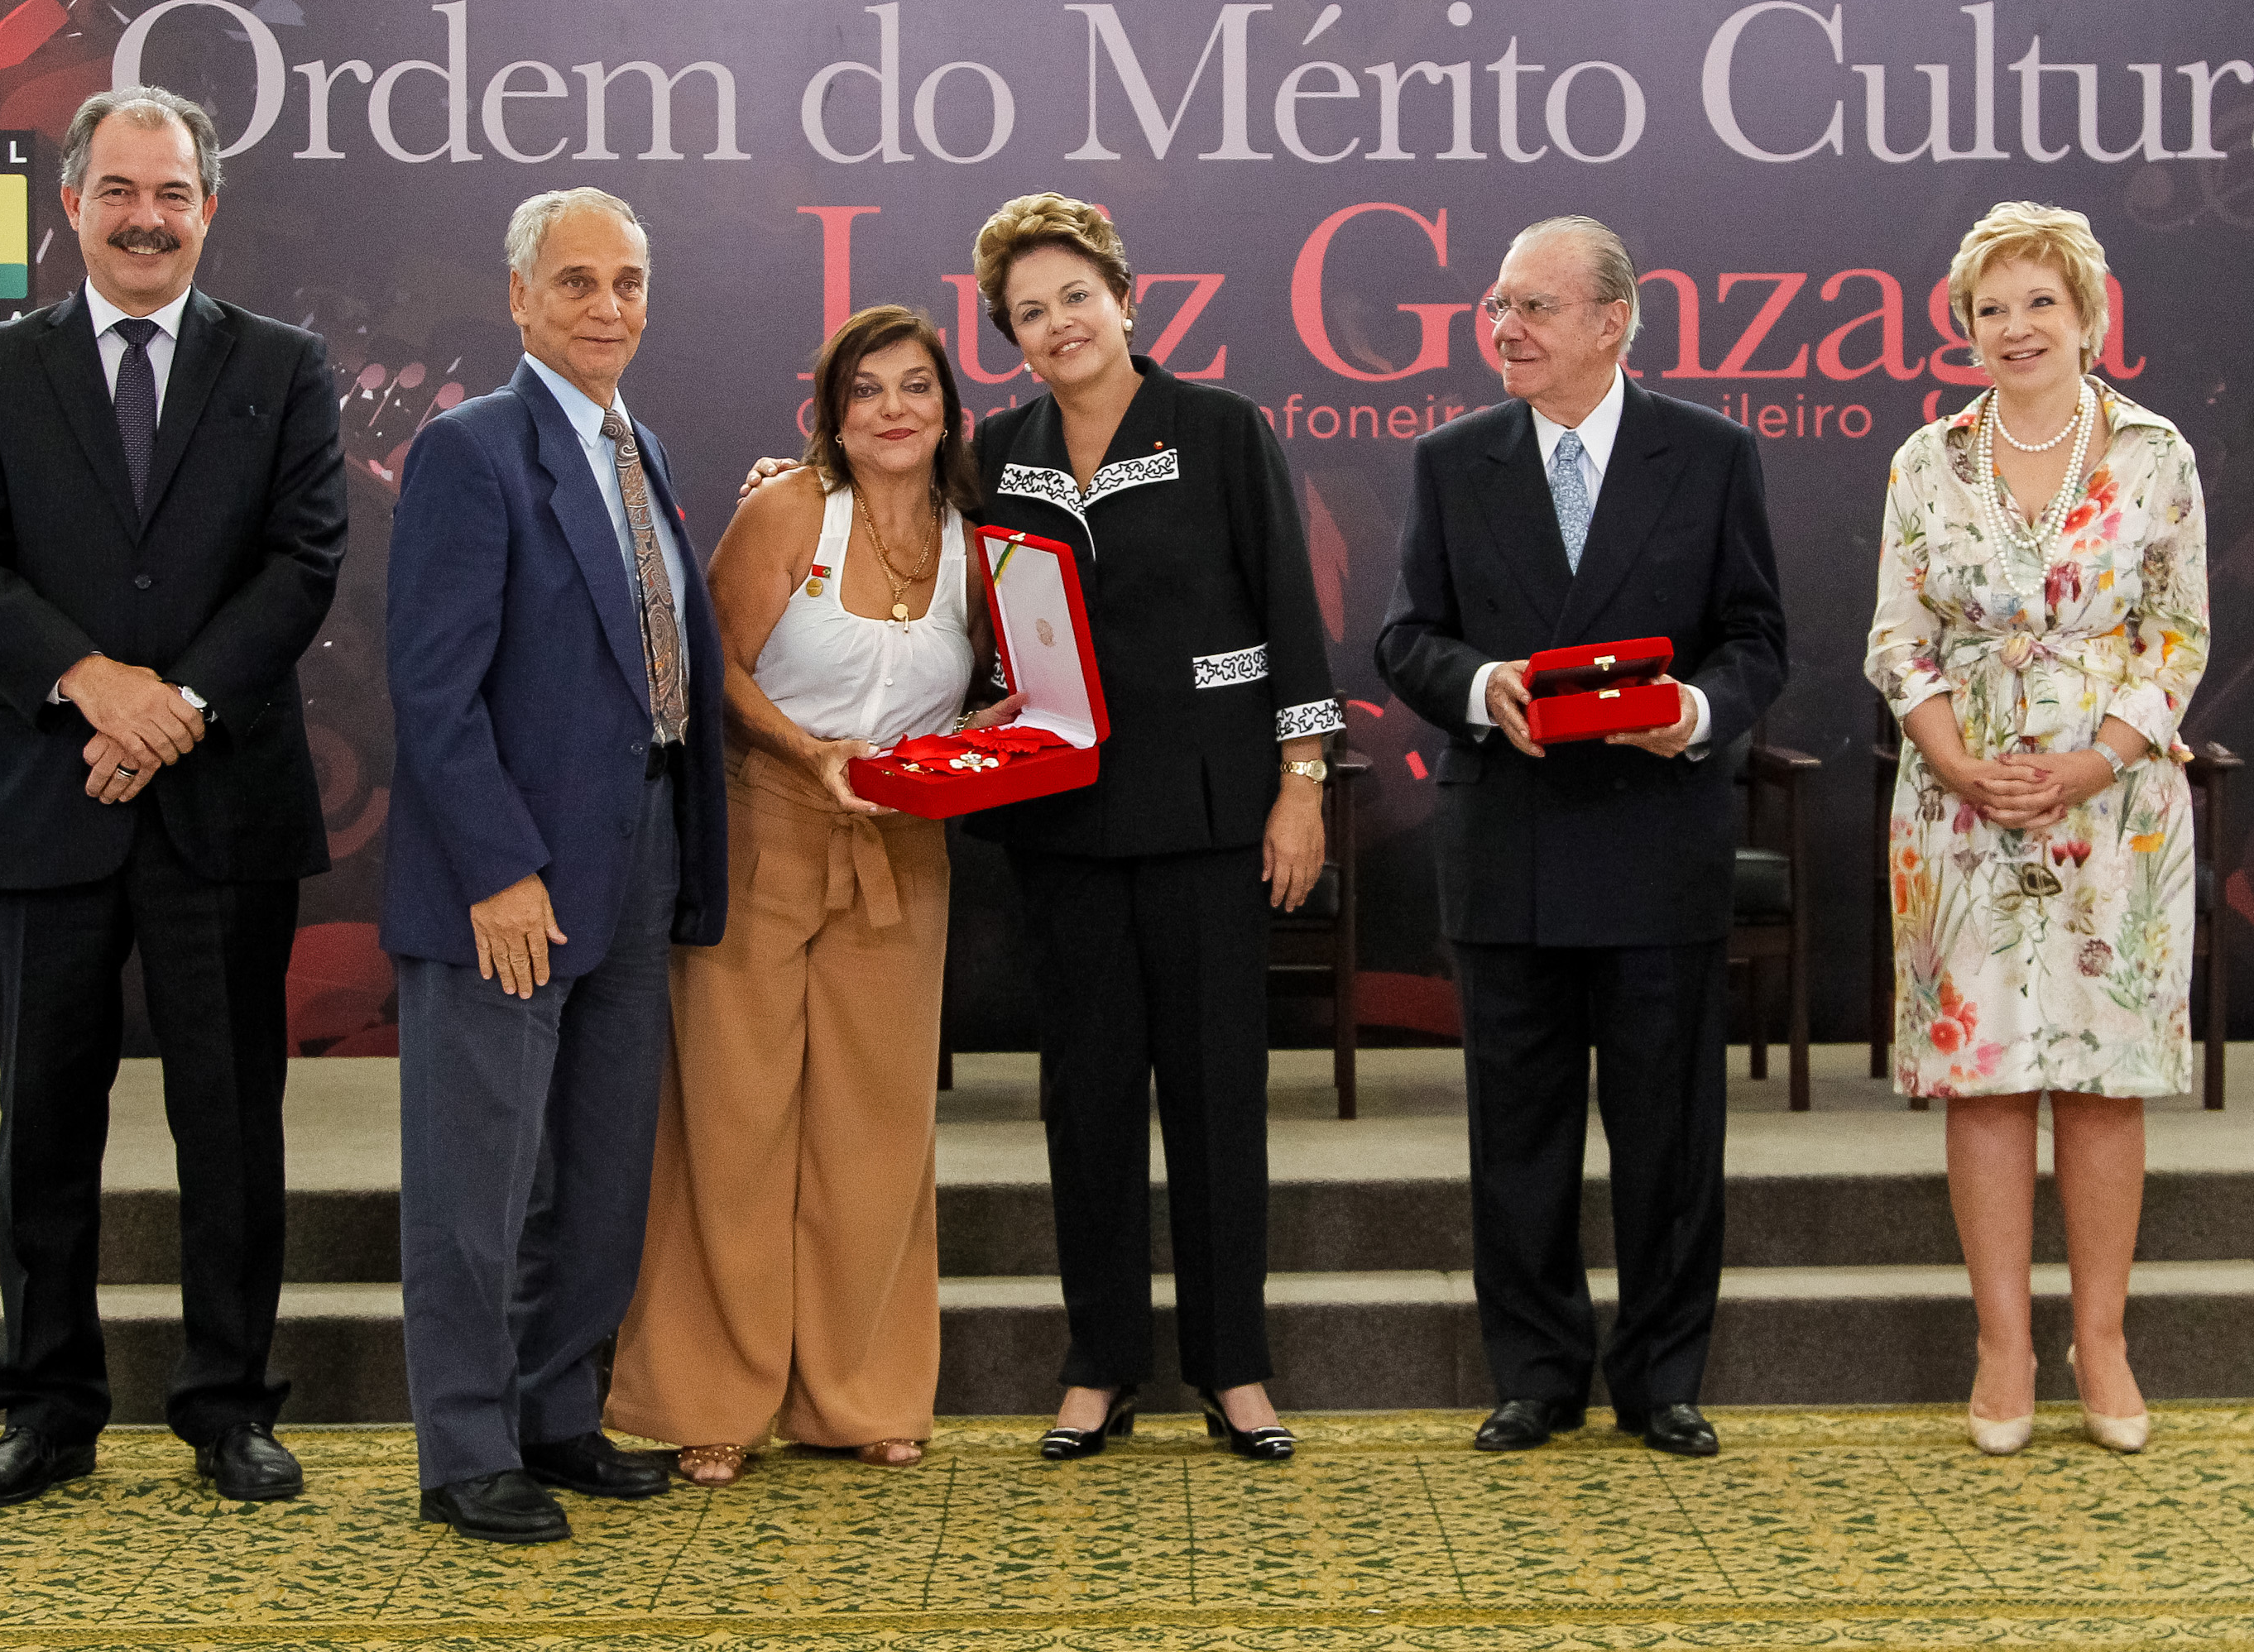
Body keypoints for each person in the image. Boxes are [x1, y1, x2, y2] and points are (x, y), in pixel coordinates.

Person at [0, 85, 345, 1511]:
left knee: (233, 1120)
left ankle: (230, 1404)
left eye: (171, 193)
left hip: (224, 810)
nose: (146, 216)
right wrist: (98, 685)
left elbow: (302, 565)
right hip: (50, 798)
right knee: (44, 1120)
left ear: (208, 209)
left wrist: (177, 712)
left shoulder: (283, 366)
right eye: (118, 191)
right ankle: (46, 1406)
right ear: (72, 206)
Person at [1375, 215, 1786, 1459]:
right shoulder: (1452, 459)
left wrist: (1699, 712)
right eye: (1496, 307)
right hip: (1505, 845)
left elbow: (1756, 639)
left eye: (1533, 308)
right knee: (1518, 1135)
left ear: (1612, 321)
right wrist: (1480, 680)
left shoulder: (1709, 455)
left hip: (1655, 841)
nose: (1503, 329)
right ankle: (1536, 1374)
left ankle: (1661, 1376)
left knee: (1669, 1135)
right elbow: (1405, 639)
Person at [607, 306, 1024, 1486]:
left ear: (949, 409)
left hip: (903, 853)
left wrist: (986, 733)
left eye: (914, 388)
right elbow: (710, 667)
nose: (893, 409)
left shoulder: (976, 537)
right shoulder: (788, 508)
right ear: (832, 414)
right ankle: (709, 1397)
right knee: (730, 1127)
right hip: (762, 832)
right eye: (867, 390)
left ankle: (862, 1393)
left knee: (875, 1137)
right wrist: (806, 754)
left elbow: (989, 689)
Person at [382, 188, 728, 1544]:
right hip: (511, 874)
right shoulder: (469, 450)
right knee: (479, 1171)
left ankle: (554, 1412)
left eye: (629, 281)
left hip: (639, 850)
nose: (607, 306)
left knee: (598, 1165)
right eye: (576, 281)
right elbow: (432, 689)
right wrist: (499, 867)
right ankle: (463, 1448)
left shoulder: (639, 445)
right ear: (519, 297)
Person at [971, 192, 1334, 1463]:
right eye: (1029, 311)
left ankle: (1234, 1368)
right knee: (1085, 1104)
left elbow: (1291, 609)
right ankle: (1098, 1364)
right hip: (1058, 823)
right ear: (1009, 338)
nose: (1058, 323)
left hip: (1207, 815)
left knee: (1218, 1099)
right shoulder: (995, 452)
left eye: (1076, 296)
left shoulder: (1221, 429)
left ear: (1126, 299)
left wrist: (1301, 782)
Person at [1863, 200, 2208, 1457]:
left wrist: (2087, 761)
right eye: (1989, 309)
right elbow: (1896, 639)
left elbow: (2177, 637)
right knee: (1986, 1077)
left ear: (2086, 314)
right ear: (1963, 328)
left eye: (2037, 304)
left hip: (2111, 803)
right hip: (1957, 803)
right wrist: (1958, 761)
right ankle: (2001, 1343)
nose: (2014, 328)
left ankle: (2100, 1338)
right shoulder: (1924, 461)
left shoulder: (2154, 454)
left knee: (2102, 1079)